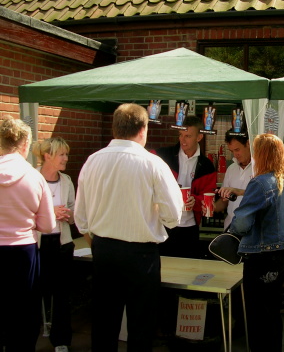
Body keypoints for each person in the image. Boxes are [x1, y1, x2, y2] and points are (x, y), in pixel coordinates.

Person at [74, 103, 183, 352]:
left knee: (104, 323)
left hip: (104, 250)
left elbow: (81, 218)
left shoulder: (93, 161)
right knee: (141, 327)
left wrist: (99, 244)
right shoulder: (153, 164)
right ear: (143, 130)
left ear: (114, 128)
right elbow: (173, 217)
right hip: (141, 255)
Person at [228, 133, 284, 352]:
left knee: (257, 315)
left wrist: (232, 233)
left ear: (261, 154)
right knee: (271, 312)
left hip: (261, 256)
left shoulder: (259, 182)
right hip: (282, 256)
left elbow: (241, 224)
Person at [0, 116, 56, 352]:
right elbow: (47, 225)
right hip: (23, 253)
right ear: (25, 145)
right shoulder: (35, 177)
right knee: (24, 314)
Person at [32, 137, 76, 352]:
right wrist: (50, 213)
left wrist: (68, 215)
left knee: (62, 295)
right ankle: (27, 339)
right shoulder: (32, 178)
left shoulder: (67, 180)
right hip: (38, 244)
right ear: (47, 156)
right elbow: (22, 213)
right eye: (62, 154)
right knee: (33, 293)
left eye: (67, 154)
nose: (66, 158)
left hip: (62, 242)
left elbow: (74, 214)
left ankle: (61, 341)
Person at [154, 115, 216, 258]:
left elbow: (209, 196)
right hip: (164, 223)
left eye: (188, 136)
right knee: (164, 268)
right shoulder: (163, 155)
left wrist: (195, 200)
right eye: (181, 135)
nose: (182, 140)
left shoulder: (206, 165)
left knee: (189, 271)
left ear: (199, 137)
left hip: (189, 227)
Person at [206, 130, 252, 229]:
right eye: (232, 151)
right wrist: (212, 207)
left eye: (237, 150)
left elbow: (265, 197)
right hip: (230, 228)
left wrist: (239, 192)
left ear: (248, 144)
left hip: (252, 231)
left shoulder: (261, 168)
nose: (235, 155)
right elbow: (224, 201)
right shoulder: (231, 168)